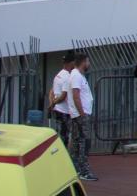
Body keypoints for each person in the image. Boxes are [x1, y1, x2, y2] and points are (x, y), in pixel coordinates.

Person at [49, 50, 94, 182]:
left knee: (77, 141)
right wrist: (81, 113)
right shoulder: (75, 76)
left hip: (76, 113)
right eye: (88, 61)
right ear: (83, 62)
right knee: (82, 142)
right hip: (78, 114)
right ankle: (82, 170)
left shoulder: (74, 75)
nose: (89, 63)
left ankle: (75, 168)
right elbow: (75, 95)